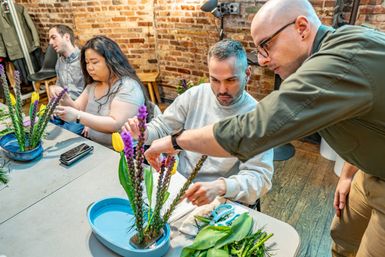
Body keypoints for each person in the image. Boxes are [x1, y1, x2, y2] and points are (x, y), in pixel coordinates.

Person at [144, 0, 385, 256]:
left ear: (301, 27)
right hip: (368, 172)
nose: (262, 60)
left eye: (266, 46)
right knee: (343, 238)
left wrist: (175, 141)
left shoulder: (339, 63)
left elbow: (252, 130)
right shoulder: (339, 49)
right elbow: (364, 123)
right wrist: (348, 174)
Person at [123, 39, 273, 206]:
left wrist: (220, 186)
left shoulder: (257, 117)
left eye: (231, 80)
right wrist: (144, 133)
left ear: (248, 74)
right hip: (179, 184)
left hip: (221, 198)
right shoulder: (195, 95)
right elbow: (164, 126)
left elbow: (259, 178)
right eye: (215, 80)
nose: (222, 89)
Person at [55, 35, 155, 148]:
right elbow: (76, 107)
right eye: (87, 63)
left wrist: (78, 116)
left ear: (111, 61)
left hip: (123, 154)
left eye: (94, 62)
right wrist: (63, 97)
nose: (89, 68)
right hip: (96, 147)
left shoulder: (128, 87)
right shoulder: (93, 86)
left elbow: (115, 124)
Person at [48, 25, 85, 135]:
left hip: (79, 111)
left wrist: (89, 123)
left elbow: (94, 94)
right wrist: (51, 107)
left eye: (53, 37)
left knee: (66, 134)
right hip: (62, 108)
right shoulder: (59, 62)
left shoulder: (85, 61)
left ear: (67, 37)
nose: (50, 42)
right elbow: (58, 86)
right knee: (42, 127)